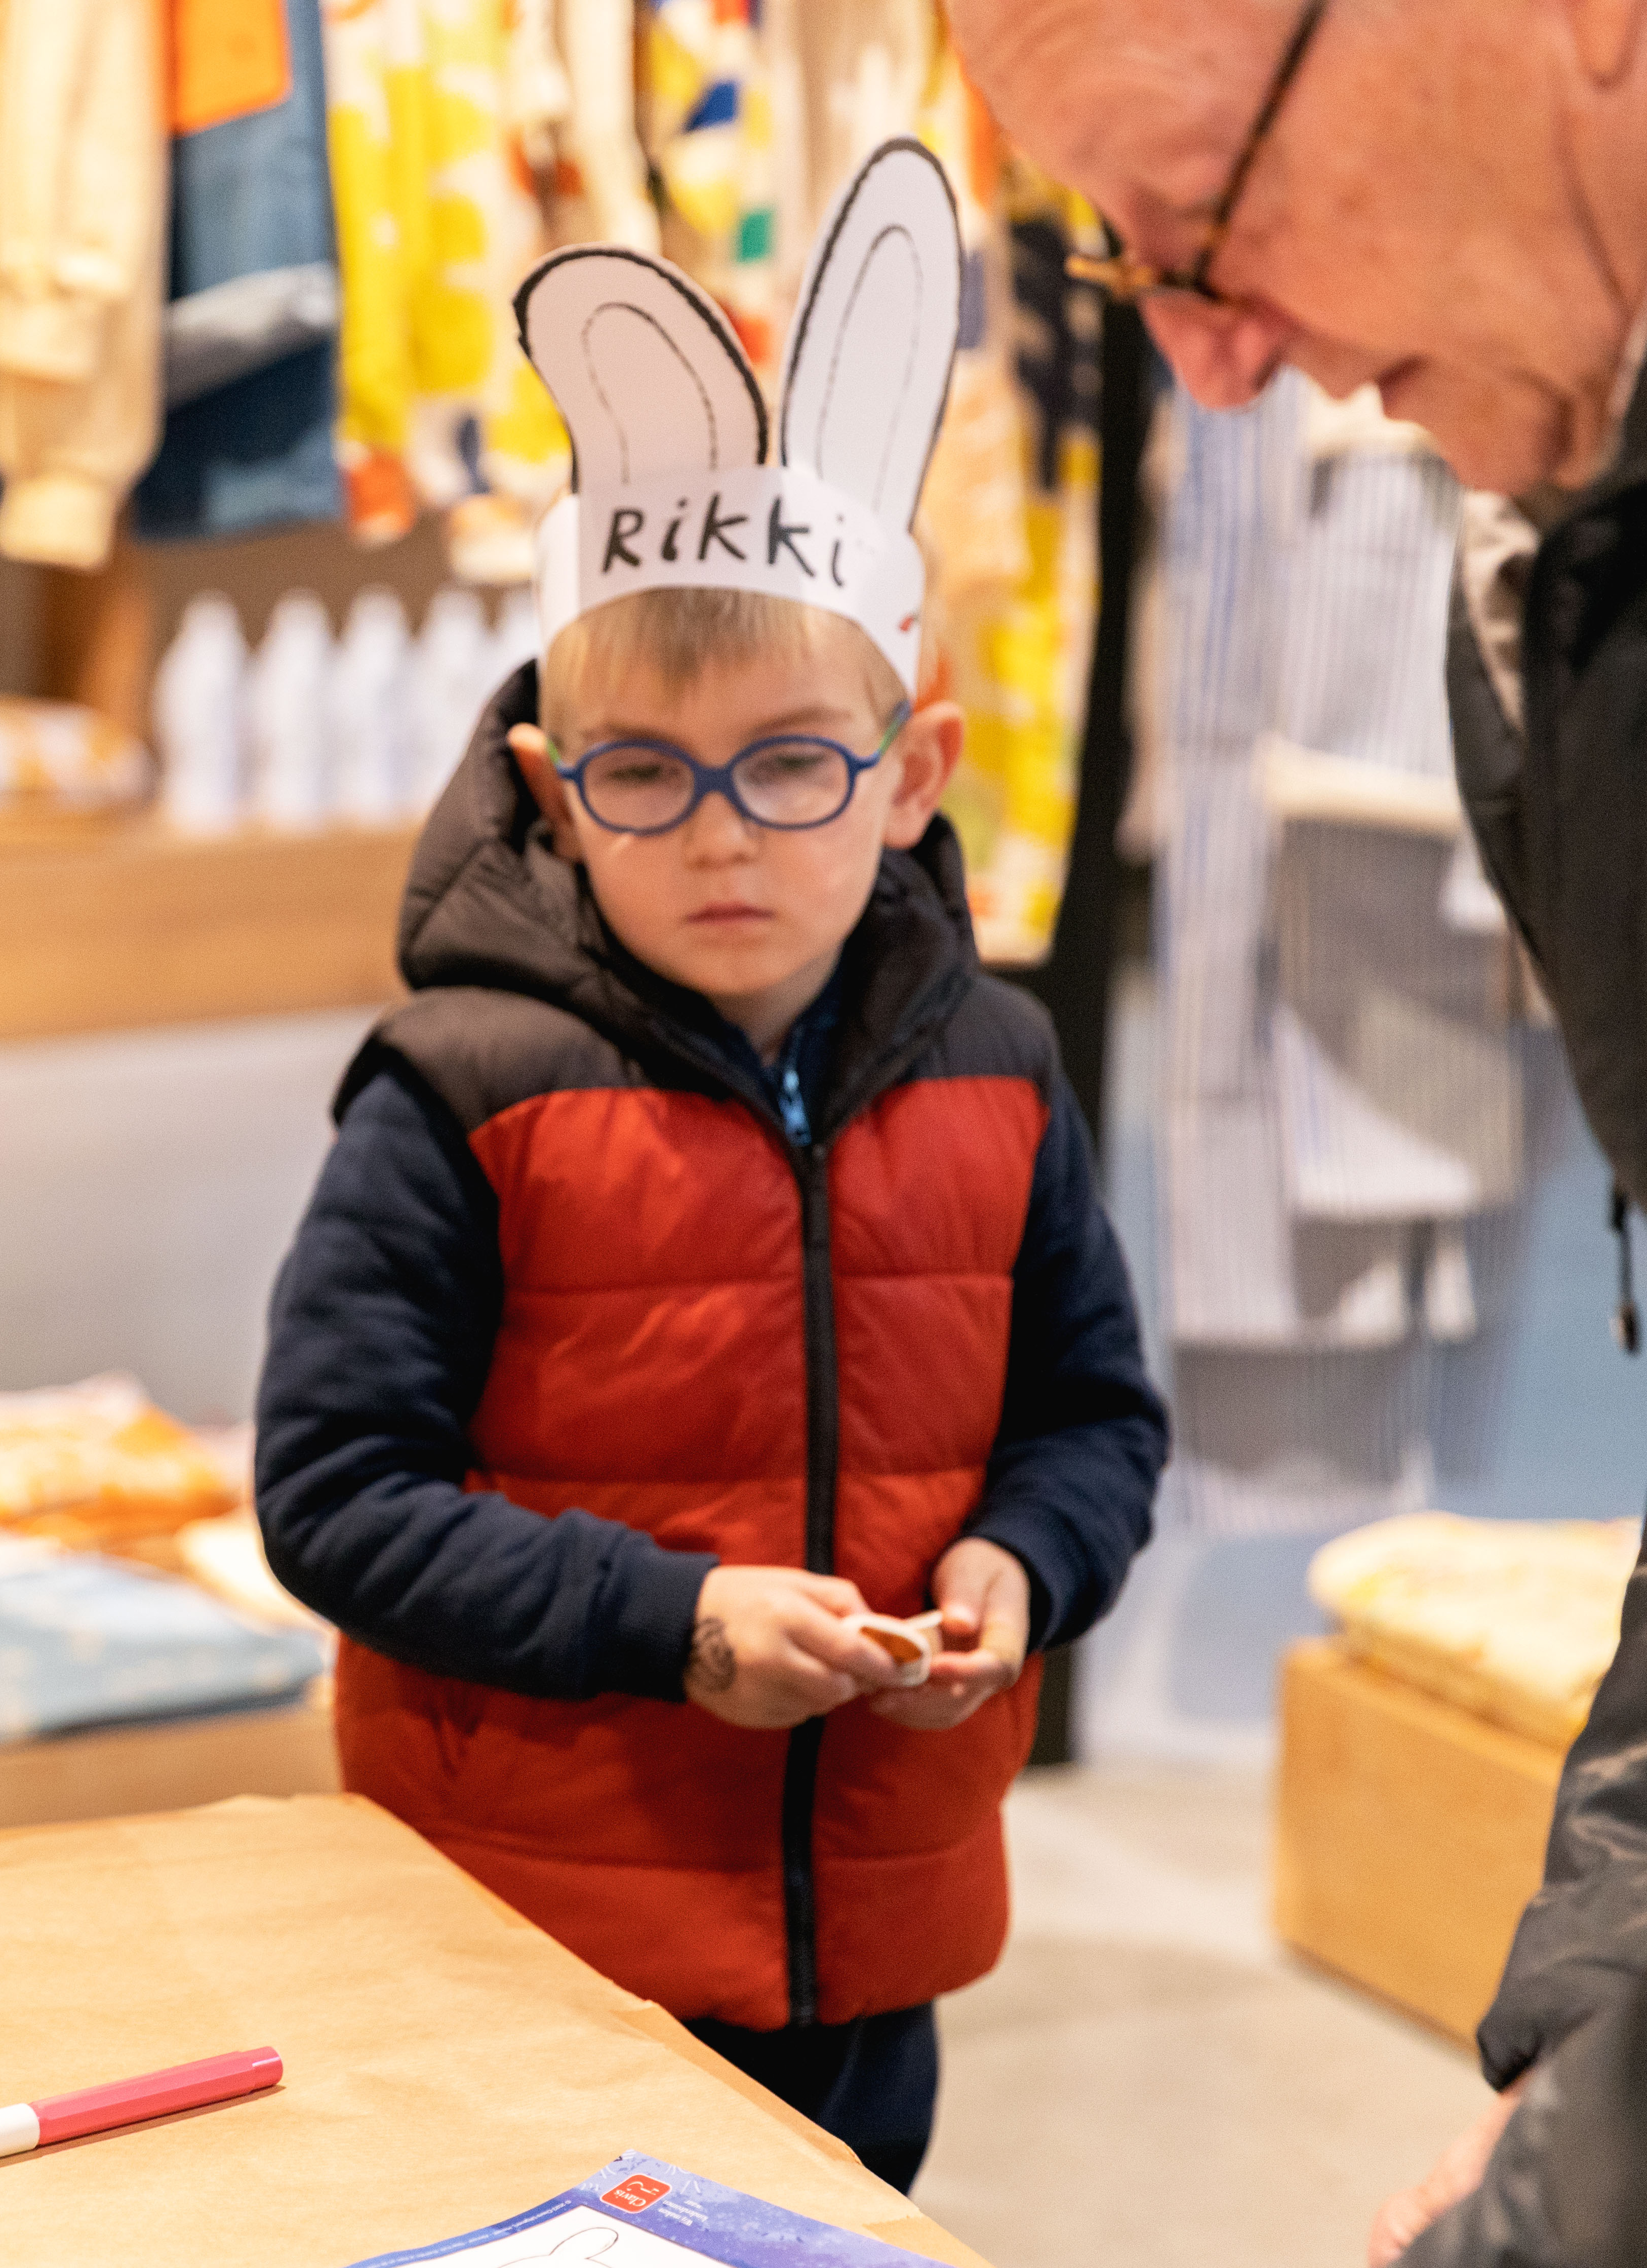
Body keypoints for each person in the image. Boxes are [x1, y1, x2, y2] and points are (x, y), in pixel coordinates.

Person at [949, 1, 1647, 2258]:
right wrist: (1602, 2020)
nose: (1221, 366)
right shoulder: (1569, 545)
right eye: (1135, 270)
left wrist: (1621, 2172)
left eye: (1214, 222)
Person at [254, 168, 1167, 2193]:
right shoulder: (457, 1092)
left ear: (914, 770)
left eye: (794, 763)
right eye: (645, 773)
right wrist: (668, 1621)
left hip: (878, 1938)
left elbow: (1097, 1418)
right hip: (526, 1933)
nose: (724, 835)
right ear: (550, 799)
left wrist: (1029, 1567)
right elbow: (332, 1497)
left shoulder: (1007, 1075)